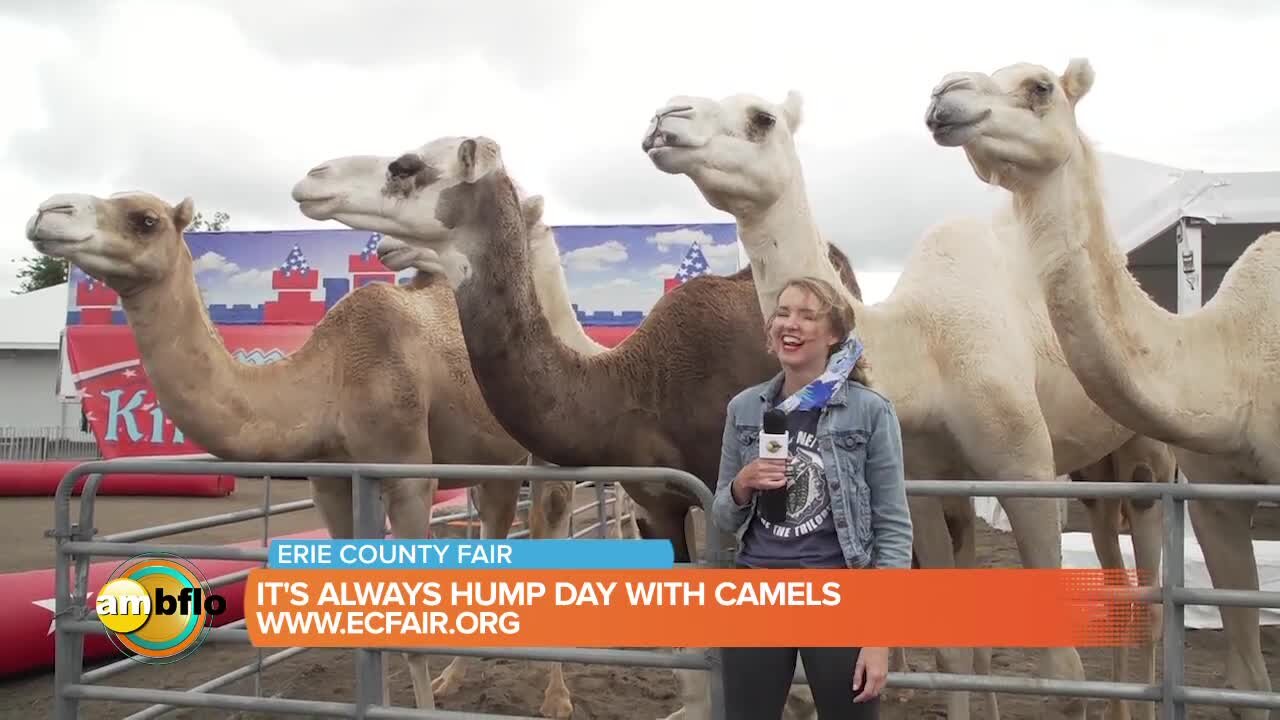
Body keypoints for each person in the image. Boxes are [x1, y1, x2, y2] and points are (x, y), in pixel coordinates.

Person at [711, 275, 912, 719]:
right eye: (783, 313)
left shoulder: (870, 411)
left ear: (834, 334)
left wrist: (879, 640)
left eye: (806, 315)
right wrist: (742, 484)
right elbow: (722, 517)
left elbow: (894, 530)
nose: (791, 324)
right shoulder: (745, 410)